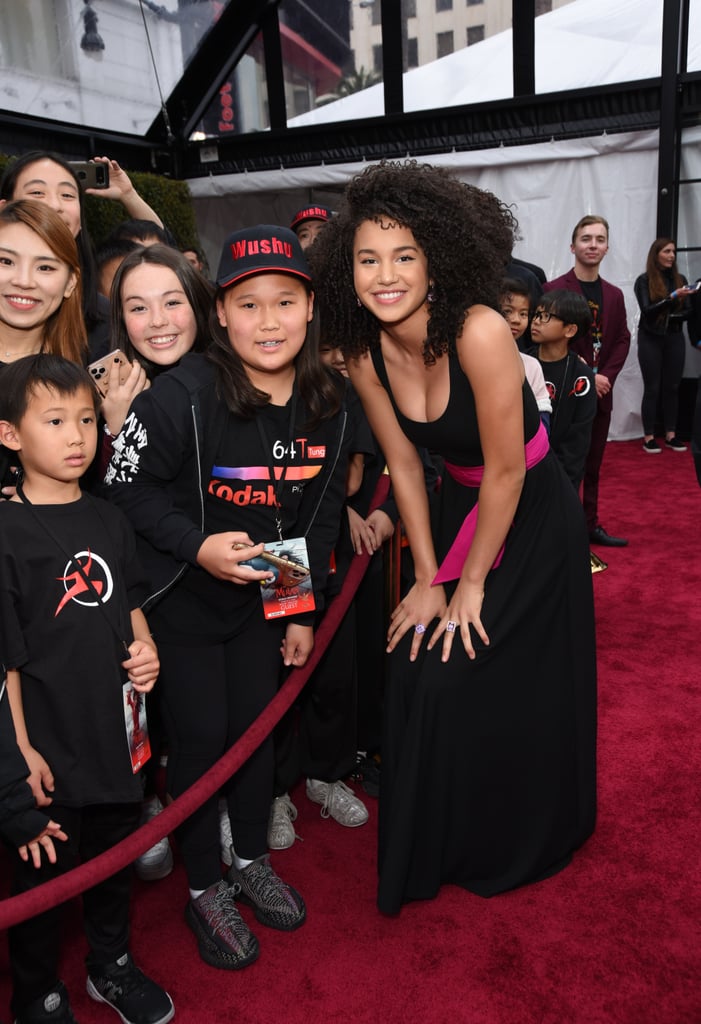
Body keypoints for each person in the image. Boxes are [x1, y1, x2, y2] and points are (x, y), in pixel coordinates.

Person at [309, 159, 597, 915]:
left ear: (435, 256)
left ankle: (524, 829)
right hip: (451, 510)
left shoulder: (476, 329)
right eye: (367, 258)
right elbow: (403, 464)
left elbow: (505, 471)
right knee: (416, 663)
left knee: (480, 665)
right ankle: (443, 836)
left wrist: (462, 587)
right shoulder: (364, 349)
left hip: (529, 511)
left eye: (404, 255)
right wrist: (425, 578)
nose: (385, 274)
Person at [104, 224, 359, 969]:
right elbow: (124, 493)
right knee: (202, 743)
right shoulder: (182, 395)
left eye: (285, 301)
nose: (269, 321)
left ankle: (250, 858)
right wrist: (198, 546)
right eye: (249, 305)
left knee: (254, 739)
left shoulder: (330, 403)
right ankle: (203, 888)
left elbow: (310, 519)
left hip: (260, 607)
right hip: (179, 604)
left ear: (311, 309)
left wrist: (296, 611)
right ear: (220, 313)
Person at [0, 354, 173, 1024]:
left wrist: (148, 649)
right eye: (54, 421)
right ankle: (37, 991)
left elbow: (127, 600)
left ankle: (112, 965)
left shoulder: (108, 518)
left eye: (86, 419)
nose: (77, 436)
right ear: (11, 435)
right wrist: (20, 755)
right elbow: (5, 662)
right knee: (42, 876)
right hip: (48, 738)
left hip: (116, 731)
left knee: (111, 859)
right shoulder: (7, 531)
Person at [1, 152, 164, 359]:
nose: (54, 205)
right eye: (37, 192)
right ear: (5, 208)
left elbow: (163, 256)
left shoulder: (104, 322)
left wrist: (128, 195)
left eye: (67, 195)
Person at [544, 215, 631, 547]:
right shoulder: (553, 290)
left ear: (607, 247)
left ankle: (589, 524)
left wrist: (605, 375)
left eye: (599, 239)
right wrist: (585, 375)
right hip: (565, 393)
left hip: (601, 393)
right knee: (561, 462)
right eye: (586, 238)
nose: (592, 244)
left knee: (593, 463)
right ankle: (556, 525)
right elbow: (547, 339)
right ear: (572, 246)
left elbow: (622, 338)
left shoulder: (614, 295)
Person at [634, 238, 697, 454]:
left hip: (674, 338)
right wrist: (672, 298)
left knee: (672, 387)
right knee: (652, 387)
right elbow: (647, 311)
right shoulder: (643, 280)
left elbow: (689, 311)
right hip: (650, 337)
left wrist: (671, 315)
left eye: (674, 252)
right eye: (667, 251)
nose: (672, 255)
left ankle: (671, 435)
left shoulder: (681, 279)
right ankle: (649, 437)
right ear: (656, 254)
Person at [528, 290, 597, 490]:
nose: (537, 321)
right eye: (536, 314)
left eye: (547, 316)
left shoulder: (581, 376)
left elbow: (577, 441)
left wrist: (562, 483)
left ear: (570, 330)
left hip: (559, 477)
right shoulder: (521, 363)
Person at [498, 276, 552, 429]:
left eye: (523, 313)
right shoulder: (471, 359)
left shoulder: (531, 365)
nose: (516, 320)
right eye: (507, 311)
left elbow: (542, 418)